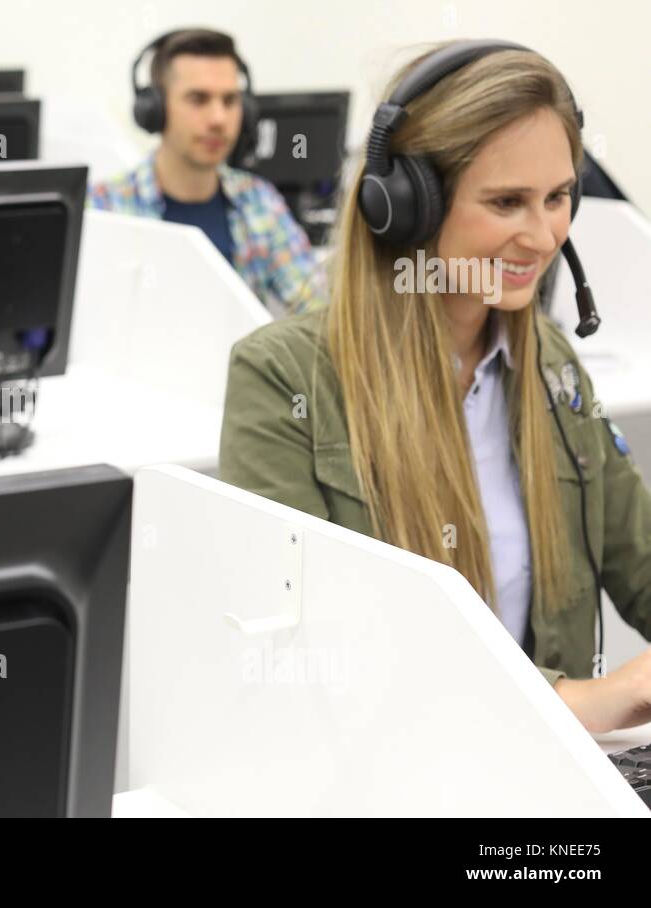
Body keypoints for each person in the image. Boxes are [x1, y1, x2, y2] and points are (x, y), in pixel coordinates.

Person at [218, 42, 651, 733]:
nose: (542, 237)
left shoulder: (552, 364)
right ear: (408, 207)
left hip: (550, 776)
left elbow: (640, 554)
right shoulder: (281, 378)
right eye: (508, 202)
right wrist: (581, 701)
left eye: (558, 198)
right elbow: (318, 646)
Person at [88, 28, 326, 316]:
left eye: (229, 101)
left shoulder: (259, 201)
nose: (218, 119)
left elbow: (316, 310)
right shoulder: (103, 207)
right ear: (156, 109)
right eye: (198, 99)